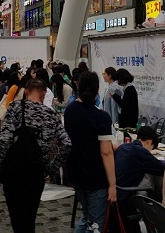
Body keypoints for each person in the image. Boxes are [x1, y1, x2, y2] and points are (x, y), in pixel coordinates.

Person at [0, 78, 72, 233]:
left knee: (17, 218)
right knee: (30, 217)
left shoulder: (16, 107)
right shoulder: (51, 114)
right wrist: (50, 169)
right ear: (44, 94)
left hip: (14, 171)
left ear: (26, 91)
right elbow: (67, 144)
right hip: (36, 172)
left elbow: (4, 140)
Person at [64, 71, 116, 232]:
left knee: (86, 216)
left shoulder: (70, 110)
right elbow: (106, 152)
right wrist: (113, 185)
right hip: (96, 178)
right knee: (95, 223)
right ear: (97, 90)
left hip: (76, 173)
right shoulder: (101, 117)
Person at [115, 126, 165, 208]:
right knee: (153, 174)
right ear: (149, 142)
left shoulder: (122, 147)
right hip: (127, 196)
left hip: (118, 191)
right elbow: (161, 168)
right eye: (151, 149)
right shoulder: (140, 151)